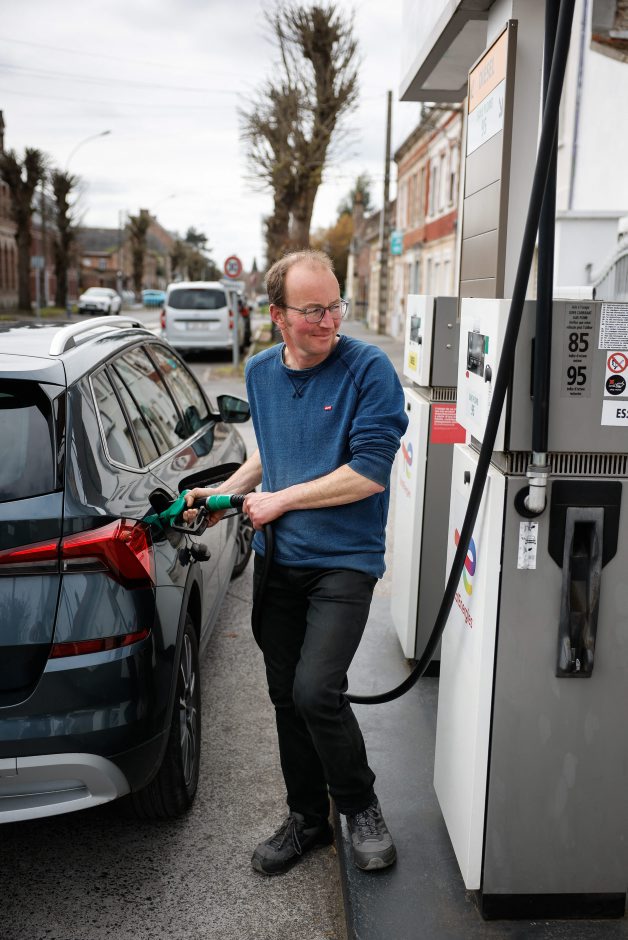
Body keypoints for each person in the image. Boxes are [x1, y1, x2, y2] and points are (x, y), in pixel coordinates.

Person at [184, 249, 408, 874]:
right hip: (278, 560)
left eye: (335, 306)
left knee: (317, 690)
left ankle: (360, 806)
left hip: (344, 561)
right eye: (312, 310)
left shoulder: (367, 369)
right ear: (278, 316)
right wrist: (224, 493)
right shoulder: (260, 371)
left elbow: (368, 472)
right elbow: (273, 454)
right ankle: (307, 818)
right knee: (286, 695)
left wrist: (280, 500)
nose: (329, 321)